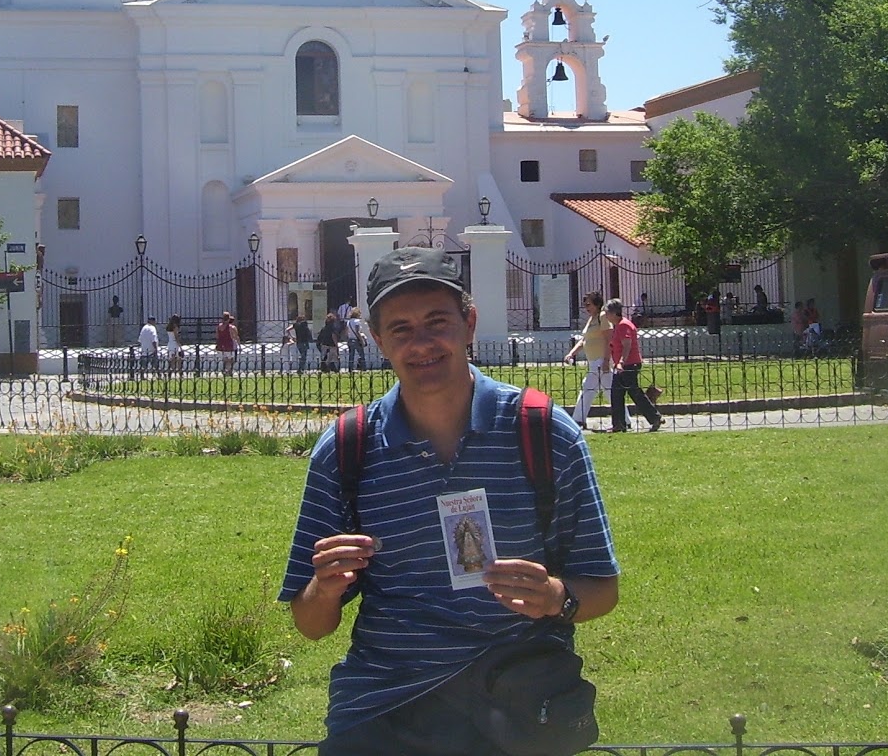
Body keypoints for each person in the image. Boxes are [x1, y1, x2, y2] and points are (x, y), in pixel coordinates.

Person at [280, 247, 618, 754]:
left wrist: (555, 596)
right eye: (401, 329)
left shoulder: (544, 433)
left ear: (469, 323)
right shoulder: (348, 448)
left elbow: (602, 588)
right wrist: (325, 589)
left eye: (437, 322)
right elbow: (310, 624)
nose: (422, 343)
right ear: (378, 340)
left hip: (517, 699)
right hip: (386, 706)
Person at [605, 298, 663, 432]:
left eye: (607, 313)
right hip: (625, 365)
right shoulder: (619, 325)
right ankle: (620, 424)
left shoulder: (623, 325)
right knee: (619, 393)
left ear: (614, 313)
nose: (606, 315)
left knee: (632, 393)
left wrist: (621, 362)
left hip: (629, 364)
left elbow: (627, 345)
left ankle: (654, 418)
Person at [563, 291, 612, 430]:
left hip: (601, 360)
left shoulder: (603, 316)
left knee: (588, 388)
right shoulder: (592, 319)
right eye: (585, 305)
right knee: (609, 391)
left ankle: (578, 420)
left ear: (597, 304)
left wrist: (606, 360)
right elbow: (584, 340)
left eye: (589, 304)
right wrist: (571, 353)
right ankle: (623, 420)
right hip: (593, 361)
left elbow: (609, 339)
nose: (586, 308)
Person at [215, 310, 239, 375]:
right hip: (229, 344)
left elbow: (217, 336)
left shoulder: (219, 326)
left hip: (220, 344)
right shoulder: (231, 327)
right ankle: (229, 371)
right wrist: (238, 344)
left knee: (224, 359)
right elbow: (235, 336)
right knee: (230, 359)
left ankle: (225, 370)